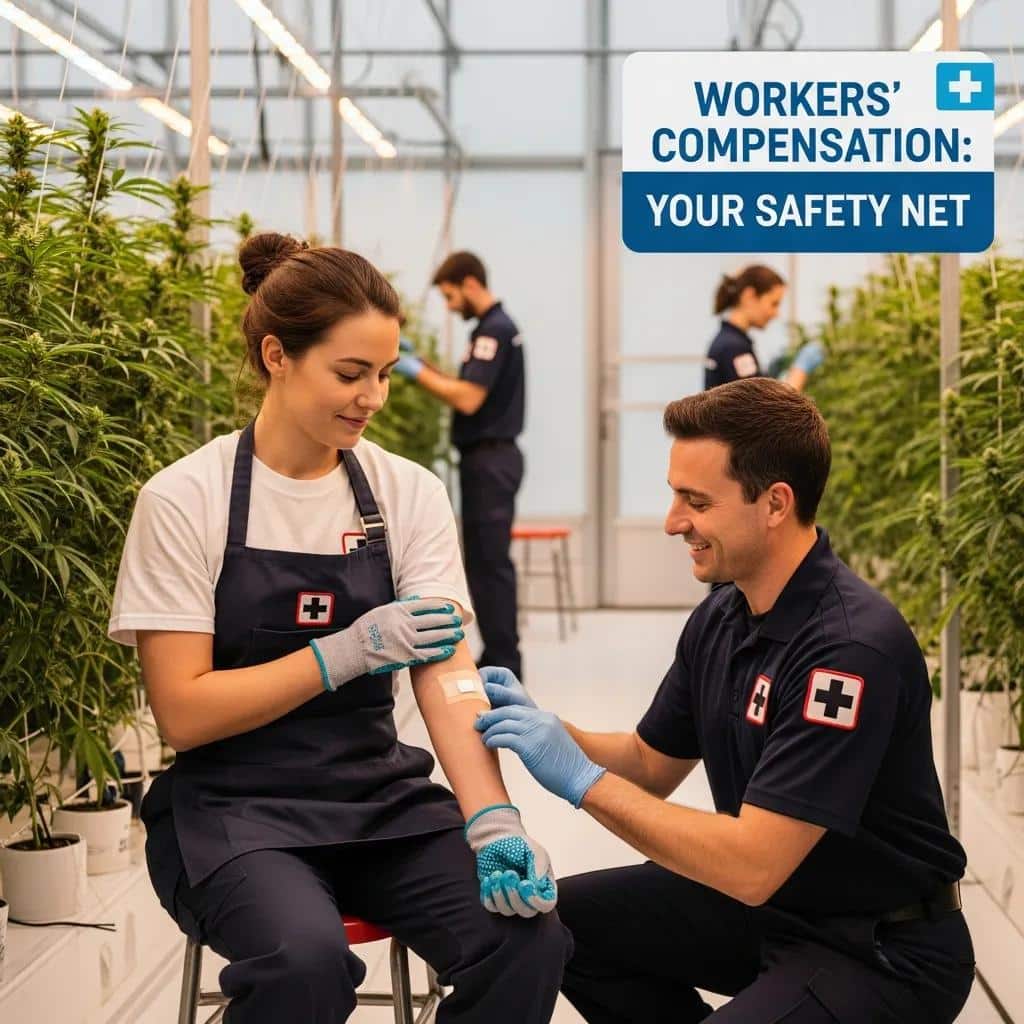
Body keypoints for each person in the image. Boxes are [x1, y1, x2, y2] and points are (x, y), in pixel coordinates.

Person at [108, 233, 569, 1024]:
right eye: (351, 374)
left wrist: (493, 815)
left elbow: (446, 671)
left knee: (527, 940)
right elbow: (183, 712)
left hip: (376, 800)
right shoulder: (186, 499)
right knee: (304, 966)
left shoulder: (406, 493)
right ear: (277, 355)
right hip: (234, 810)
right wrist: (342, 654)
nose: (373, 397)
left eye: (385, 374)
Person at [475, 378, 974, 1023]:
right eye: (674, 495)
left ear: (775, 503)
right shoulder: (723, 618)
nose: (673, 522)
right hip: (773, 909)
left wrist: (582, 781)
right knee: (559, 930)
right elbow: (650, 763)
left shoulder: (847, 652)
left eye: (697, 501)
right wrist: (547, 730)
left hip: (879, 947)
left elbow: (752, 865)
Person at [393, 251, 526, 679]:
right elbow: (464, 383)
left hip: (491, 460)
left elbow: (468, 398)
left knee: (490, 563)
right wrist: (425, 364)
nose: (450, 307)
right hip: (488, 459)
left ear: (470, 283)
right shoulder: (490, 329)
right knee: (484, 562)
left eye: (450, 296)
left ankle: (504, 660)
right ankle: (498, 653)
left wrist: (413, 372)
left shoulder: (494, 330)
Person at [705, 265, 823, 392]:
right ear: (749, 296)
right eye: (774, 304)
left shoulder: (729, 341)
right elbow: (765, 404)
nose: (776, 313)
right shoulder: (733, 347)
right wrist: (800, 370)